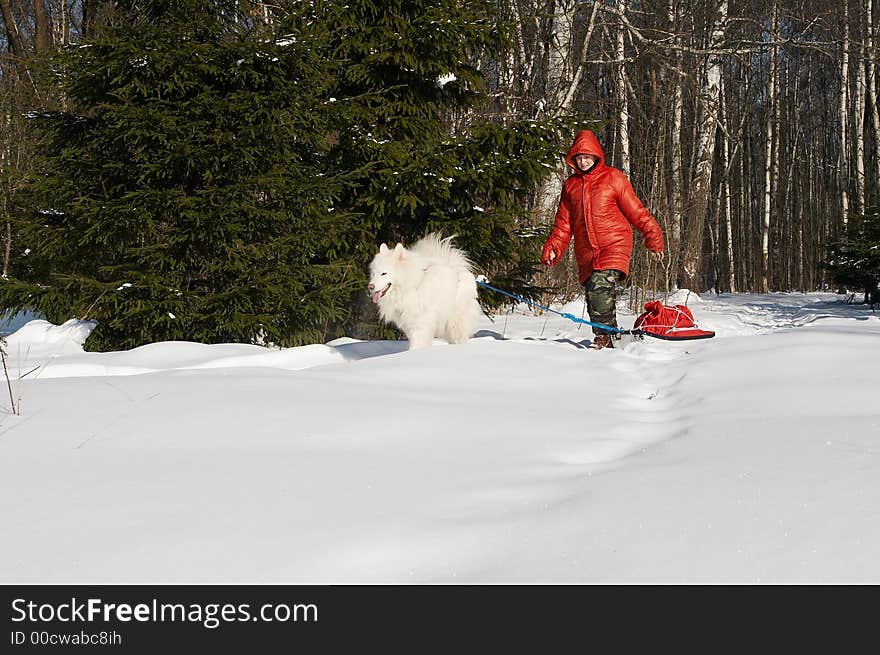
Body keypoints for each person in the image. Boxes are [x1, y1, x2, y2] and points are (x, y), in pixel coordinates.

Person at [541, 129, 665, 349]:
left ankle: (604, 338)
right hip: (586, 250)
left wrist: (653, 236)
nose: (583, 161)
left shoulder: (613, 178)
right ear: (573, 159)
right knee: (595, 296)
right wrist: (554, 247)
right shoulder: (570, 186)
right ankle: (613, 337)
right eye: (579, 157)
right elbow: (563, 223)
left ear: (596, 156)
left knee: (599, 287)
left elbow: (636, 211)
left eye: (587, 156)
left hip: (614, 243)